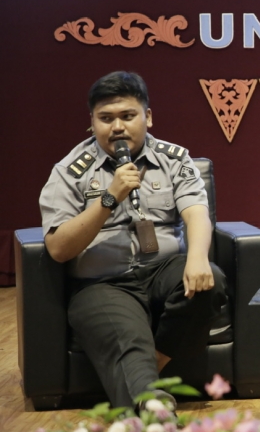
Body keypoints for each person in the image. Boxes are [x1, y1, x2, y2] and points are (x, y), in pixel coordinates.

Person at [39, 71, 227, 410]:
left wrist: (198, 257)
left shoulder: (174, 158)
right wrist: (110, 197)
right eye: (106, 118)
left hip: (161, 270)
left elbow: (196, 211)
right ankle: (153, 407)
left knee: (210, 281)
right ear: (92, 122)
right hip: (102, 283)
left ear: (147, 117)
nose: (117, 127)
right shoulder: (70, 171)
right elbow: (58, 247)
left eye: (128, 116)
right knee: (126, 336)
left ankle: (146, 380)